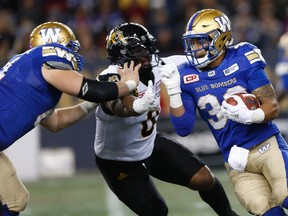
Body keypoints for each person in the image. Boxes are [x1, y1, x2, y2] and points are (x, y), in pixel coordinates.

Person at [94, 22, 239, 216]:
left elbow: (202, 58)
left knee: (204, 179)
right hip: (119, 160)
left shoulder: (157, 66)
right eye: (138, 49)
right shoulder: (109, 78)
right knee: (158, 212)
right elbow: (120, 106)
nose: (147, 54)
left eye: (148, 47)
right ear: (121, 53)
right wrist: (138, 105)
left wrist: (231, 52)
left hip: (149, 143)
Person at [0, 21, 140, 216]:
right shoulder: (46, 59)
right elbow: (94, 91)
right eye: (70, 48)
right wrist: (129, 83)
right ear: (56, 46)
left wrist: (89, 105)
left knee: (15, 199)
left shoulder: (31, 73)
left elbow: (55, 121)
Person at [160, 8, 288, 216]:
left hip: (267, 145)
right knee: (265, 211)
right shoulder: (185, 74)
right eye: (191, 42)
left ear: (219, 39)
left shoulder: (243, 56)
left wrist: (250, 116)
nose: (194, 48)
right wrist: (174, 92)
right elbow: (183, 128)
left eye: (199, 41)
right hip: (236, 160)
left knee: (286, 193)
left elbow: (272, 106)